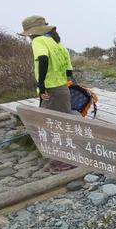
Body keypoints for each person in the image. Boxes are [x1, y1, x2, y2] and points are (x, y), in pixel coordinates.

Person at [20, 15, 76, 172]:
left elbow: (43, 59)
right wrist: (66, 80)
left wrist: (41, 85)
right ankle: (62, 159)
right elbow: (69, 67)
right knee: (62, 123)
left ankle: (65, 161)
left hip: (51, 90)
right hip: (62, 88)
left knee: (50, 125)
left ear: (31, 33)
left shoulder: (38, 41)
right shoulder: (56, 42)